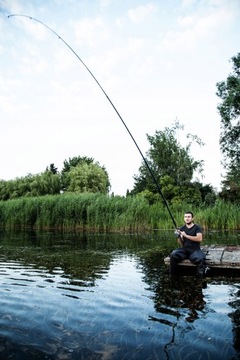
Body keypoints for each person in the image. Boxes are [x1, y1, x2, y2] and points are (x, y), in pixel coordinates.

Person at [170, 211, 206, 276]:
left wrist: (186, 235)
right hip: (185, 250)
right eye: (185, 217)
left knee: (200, 259)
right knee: (173, 254)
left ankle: (201, 277)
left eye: (189, 217)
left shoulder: (197, 227)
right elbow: (181, 243)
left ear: (192, 218)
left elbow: (199, 239)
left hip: (195, 250)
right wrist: (179, 236)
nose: (187, 218)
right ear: (184, 218)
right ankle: (172, 274)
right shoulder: (182, 228)